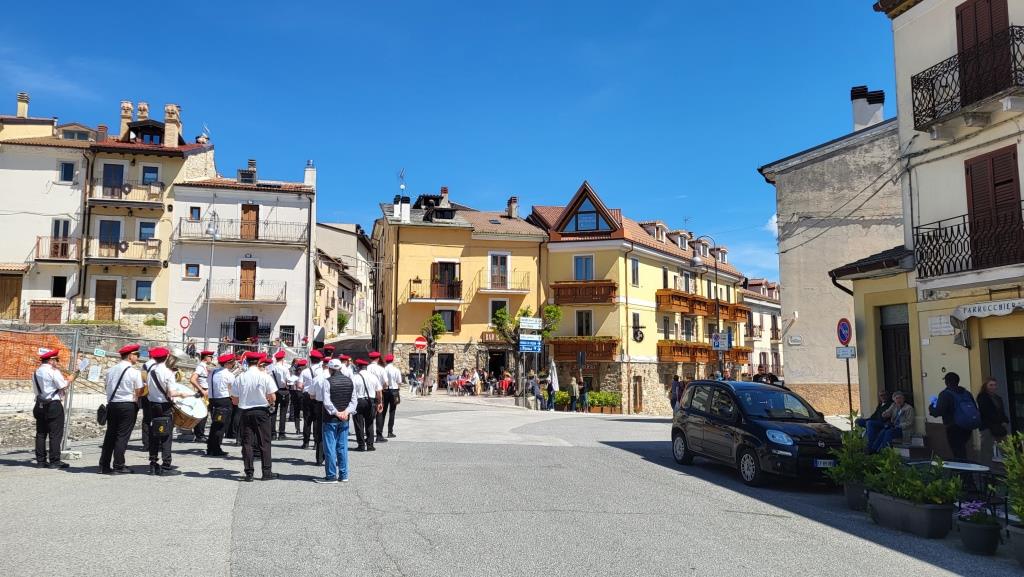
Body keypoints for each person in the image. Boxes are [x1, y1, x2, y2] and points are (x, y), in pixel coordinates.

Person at [145, 347, 193, 475]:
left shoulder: (150, 372)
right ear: (166, 357)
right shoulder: (168, 373)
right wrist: (181, 393)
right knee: (166, 435)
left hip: (153, 405)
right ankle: (166, 465)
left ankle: (153, 463)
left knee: (154, 434)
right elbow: (172, 393)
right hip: (165, 406)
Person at [231, 352, 278, 482]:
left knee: (247, 443)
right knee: (264, 442)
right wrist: (269, 402)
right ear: (258, 362)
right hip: (261, 411)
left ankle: (249, 473)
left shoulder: (240, 377)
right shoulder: (265, 376)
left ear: (246, 362)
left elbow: (234, 400)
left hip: (245, 412)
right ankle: (266, 472)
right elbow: (273, 397)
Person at [98, 344, 144, 474]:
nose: (138, 357)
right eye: (137, 355)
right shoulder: (134, 372)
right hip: (127, 405)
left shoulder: (111, 370)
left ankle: (104, 465)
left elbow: (106, 386)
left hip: (113, 404)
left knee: (110, 435)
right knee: (122, 436)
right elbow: (139, 391)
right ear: (130, 356)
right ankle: (119, 465)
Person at [314, 359, 357, 483]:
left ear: (330, 369)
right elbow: (354, 401)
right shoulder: (350, 381)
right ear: (340, 368)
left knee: (330, 447)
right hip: (344, 418)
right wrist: (346, 412)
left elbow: (327, 402)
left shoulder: (327, 382)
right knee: (342, 447)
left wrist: (336, 413)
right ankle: (344, 475)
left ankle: (331, 475)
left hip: (330, 419)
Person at [33, 349, 76, 469]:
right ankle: (54, 460)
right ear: (51, 360)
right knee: (55, 434)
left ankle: (40, 461)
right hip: (53, 404)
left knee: (41, 433)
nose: (57, 362)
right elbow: (62, 385)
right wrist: (70, 379)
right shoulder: (53, 371)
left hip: (39, 404)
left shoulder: (36, 372)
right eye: (56, 360)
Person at [929, 371, 980, 461]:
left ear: (946, 382)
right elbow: (974, 408)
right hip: (967, 426)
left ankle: (963, 469)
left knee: (958, 452)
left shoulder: (945, 394)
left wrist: (931, 407)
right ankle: (965, 467)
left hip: (953, 426)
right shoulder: (966, 393)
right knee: (962, 449)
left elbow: (938, 411)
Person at [207, 353, 237, 457]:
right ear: (228, 363)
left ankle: (210, 447)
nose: (233, 365)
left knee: (214, 425)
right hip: (224, 400)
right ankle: (216, 448)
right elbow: (233, 389)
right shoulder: (229, 374)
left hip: (212, 400)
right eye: (232, 363)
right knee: (221, 425)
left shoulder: (212, 372)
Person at [977, 377, 1010, 467]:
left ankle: (1011, 468)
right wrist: (1001, 420)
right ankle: (986, 469)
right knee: (987, 450)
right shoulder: (982, 397)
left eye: (995, 385)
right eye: (991, 385)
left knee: (1006, 449)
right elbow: (987, 412)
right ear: (985, 386)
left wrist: (1005, 420)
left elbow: (1001, 412)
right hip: (987, 427)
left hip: (999, 427)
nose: (993, 387)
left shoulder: (997, 398)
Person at [300, 350, 325, 451]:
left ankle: (306, 442)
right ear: (319, 360)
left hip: (307, 395)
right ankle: (316, 442)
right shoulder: (322, 371)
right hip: (318, 396)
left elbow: (300, 385)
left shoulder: (305, 371)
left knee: (307, 419)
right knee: (317, 419)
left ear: (310, 359)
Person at [189, 350, 214, 442]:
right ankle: (199, 435)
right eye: (210, 356)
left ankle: (200, 434)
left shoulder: (204, 366)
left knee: (205, 414)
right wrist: (202, 390)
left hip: (207, 392)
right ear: (205, 357)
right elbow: (192, 379)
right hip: (203, 392)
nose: (212, 358)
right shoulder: (200, 367)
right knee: (203, 414)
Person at [377, 354, 402, 439]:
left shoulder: (383, 369)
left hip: (385, 391)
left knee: (383, 411)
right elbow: (399, 382)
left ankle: (380, 431)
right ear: (392, 360)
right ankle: (390, 432)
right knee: (392, 411)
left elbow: (381, 381)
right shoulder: (396, 370)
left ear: (386, 361)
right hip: (394, 390)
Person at [269, 350, 291, 440]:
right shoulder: (285, 368)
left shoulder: (271, 368)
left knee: (273, 412)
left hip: (274, 391)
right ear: (282, 358)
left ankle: (273, 433)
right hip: (284, 391)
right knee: (283, 412)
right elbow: (289, 380)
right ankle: (281, 433)